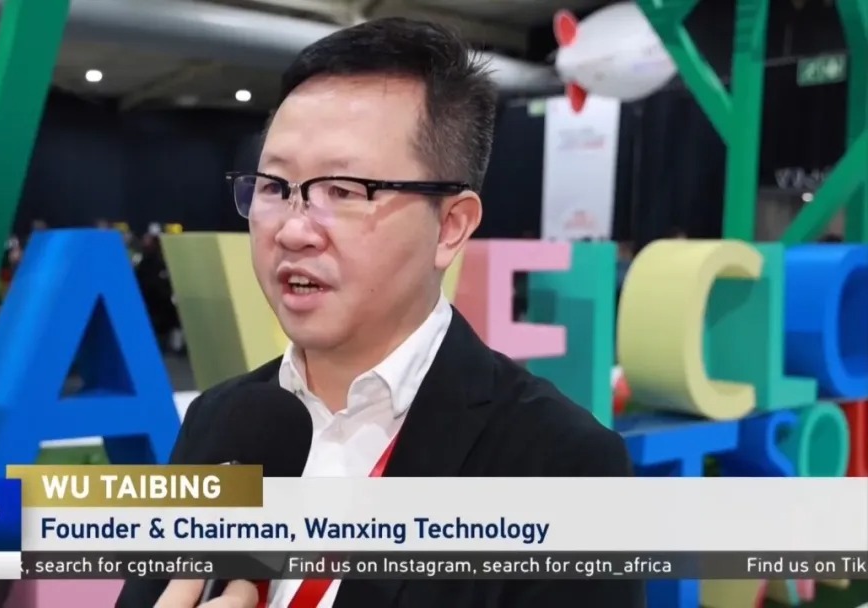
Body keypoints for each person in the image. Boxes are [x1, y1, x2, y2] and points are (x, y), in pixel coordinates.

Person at [117, 17, 641, 608]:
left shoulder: (559, 465)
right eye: (274, 186)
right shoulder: (218, 421)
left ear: (451, 226)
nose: (292, 230)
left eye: (343, 190)